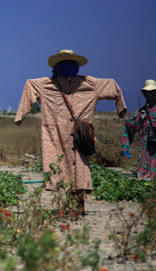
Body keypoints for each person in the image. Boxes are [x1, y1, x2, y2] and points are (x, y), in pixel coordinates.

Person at [14, 49, 127, 214]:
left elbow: (113, 86)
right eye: (65, 64)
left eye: (71, 64)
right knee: (59, 167)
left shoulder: (90, 84)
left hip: (79, 135)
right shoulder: (46, 85)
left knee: (80, 169)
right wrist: (21, 115)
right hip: (55, 136)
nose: (69, 67)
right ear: (58, 67)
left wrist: (121, 107)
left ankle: (78, 206)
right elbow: (30, 85)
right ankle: (67, 206)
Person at [121, 79, 156, 179]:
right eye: (147, 93)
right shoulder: (142, 112)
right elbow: (129, 124)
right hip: (146, 143)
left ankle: (154, 177)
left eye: (152, 93)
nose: (149, 95)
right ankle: (147, 176)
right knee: (145, 159)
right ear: (144, 94)